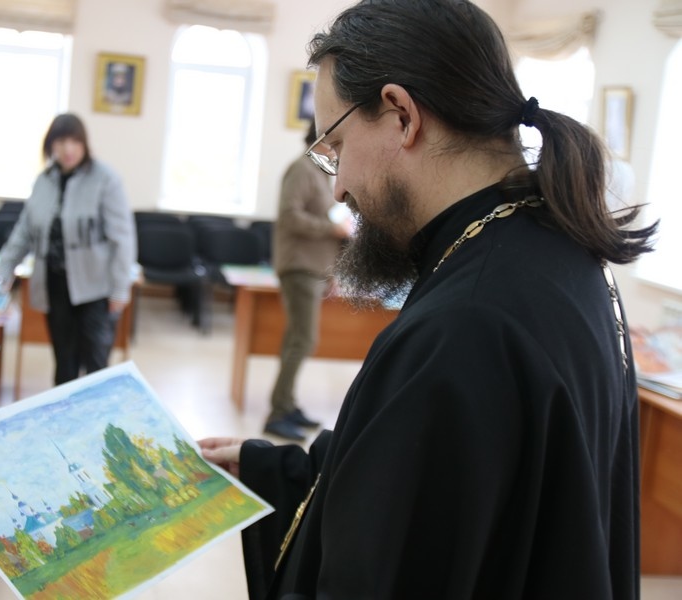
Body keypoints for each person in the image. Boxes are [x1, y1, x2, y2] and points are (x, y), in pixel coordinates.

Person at [200, 1, 657, 598]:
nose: (338, 187)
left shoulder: (465, 326)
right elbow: (441, 484)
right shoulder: (556, 250)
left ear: (401, 115)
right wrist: (273, 471)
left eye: (336, 148)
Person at [0, 113, 136, 386]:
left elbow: (123, 238)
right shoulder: (44, 181)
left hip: (96, 288)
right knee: (64, 361)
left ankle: (96, 413)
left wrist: (120, 288)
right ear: (50, 146)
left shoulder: (105, 179)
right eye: (60, 142)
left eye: (74, 141)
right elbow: (24, 231)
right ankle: (65, 411)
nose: (68, 149)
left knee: (96, 364)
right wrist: (5, 269)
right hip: (56, 285)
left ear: (85, 144)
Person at [264, 121, 350, 441]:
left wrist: (331, 270)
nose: (338, 150)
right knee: (302, 340)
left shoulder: (320, 172)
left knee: (298, 339)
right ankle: (278, 412)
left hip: (314, 268)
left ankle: (287, 405)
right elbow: (290, 216)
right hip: (299, 266)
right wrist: (332, 230)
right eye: (335, 142)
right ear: (321, 140)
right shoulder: (302, 169)